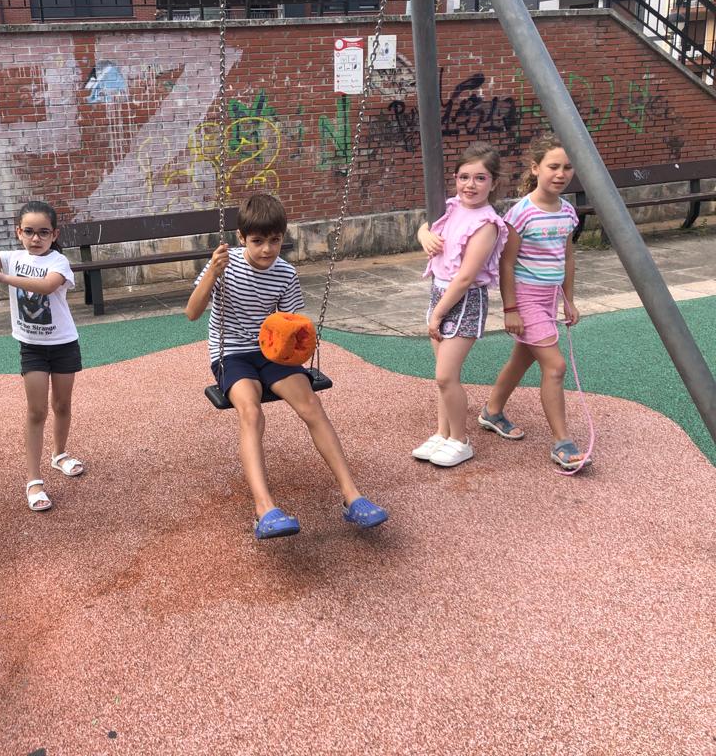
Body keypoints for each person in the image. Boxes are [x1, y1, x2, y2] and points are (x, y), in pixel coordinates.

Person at [185, 192, 388, 540]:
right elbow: (192, 313)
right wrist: (212, 274)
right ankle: (265, 509)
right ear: (241, 238)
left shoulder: (285, 273)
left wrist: (303, 346)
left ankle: (352, 496)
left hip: (273, 352)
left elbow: (291, 323)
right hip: (231, 354)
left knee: (312, 405)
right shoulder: (224, 265)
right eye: (258, 241)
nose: (267, 249)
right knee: (251, 412)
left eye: (275, 240)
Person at [478, 133, 591, 470]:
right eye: (553, 166)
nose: (561, 173)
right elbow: (507, 263)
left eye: (567, 167)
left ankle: (492, 411)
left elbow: (567, 257)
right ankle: (562, 442)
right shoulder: (521, 213)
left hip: (549, 298)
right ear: (535, 168)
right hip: (526, 298)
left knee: (521, 361)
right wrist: (510, 309)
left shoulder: (567, 212)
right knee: (555, 367)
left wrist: (569, 300)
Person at [0, 201, 84, 513]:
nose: (36, 238)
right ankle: (34, 480)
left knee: (62, 405)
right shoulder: (13, 258)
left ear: (54, 234)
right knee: (36, 411)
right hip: (32, 347)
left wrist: (4, 279)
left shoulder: (59, 261)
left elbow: (47, 287)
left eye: (43, 232)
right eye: (29, 231)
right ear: (18, 232)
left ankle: (59, 455)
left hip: (63, 344)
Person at [413, 142, 509, 467]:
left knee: (445, 375)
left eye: (480, 178)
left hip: (463, 300)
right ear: (455, 178)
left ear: (493, 183)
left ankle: (460, 439)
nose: (470, 185)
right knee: (444, 375)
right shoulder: (451, 207)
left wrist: (438, 314)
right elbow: (428, 227)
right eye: (464, 177)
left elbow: (467, 276)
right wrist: (423, 235)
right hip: (439, 291)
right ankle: (443, 433)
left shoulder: (487, 223)